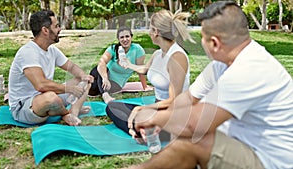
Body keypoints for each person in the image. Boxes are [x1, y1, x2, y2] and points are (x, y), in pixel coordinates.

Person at [124, 1, 293, 169]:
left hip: (269, 160)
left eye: (202, 38)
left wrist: (152, 118)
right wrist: (157, 119)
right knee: (183, 133)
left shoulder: (250, 68)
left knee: (194, 139)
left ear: (214, 43)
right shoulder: (223, 62)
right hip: (240, 142)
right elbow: (188, 99)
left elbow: (195, 123)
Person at [106, 9, 195, 141]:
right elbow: (145, 69)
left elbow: (173, 101)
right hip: (156, 109)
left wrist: (142, 108)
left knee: (134, 115)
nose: (149, 33)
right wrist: (128, 64)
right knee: (112, 107)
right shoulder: (158, 54)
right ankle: (142, 129)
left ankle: (144, 130)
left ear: (156, 32)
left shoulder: (177, 57)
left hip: (174, 116)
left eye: (150, 29)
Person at [8, 10, 93, 126]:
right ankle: (65, 113)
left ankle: (74, 111)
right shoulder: (27, 52)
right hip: (24, 107)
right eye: (56, 26)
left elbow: (72, 67)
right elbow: (41, 85)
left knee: (84, 80)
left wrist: (83, 76)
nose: (60, 29)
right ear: (45, 30)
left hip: (47, 95)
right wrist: (70, 89)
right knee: (51, 98)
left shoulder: (52, 50)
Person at [89, 26, 148, 104]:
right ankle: (105, 94)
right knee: (100, 68)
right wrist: (105, 78)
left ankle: (88, 87)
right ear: (118, 39)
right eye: (122, 37)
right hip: (104, 77)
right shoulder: (113, 49)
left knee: (92, 88)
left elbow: (140, 69)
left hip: (116, 84)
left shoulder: (137, 49)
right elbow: (102, 62)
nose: (125, 39)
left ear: (131, 37)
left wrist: (145, 86)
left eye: (127, 36)